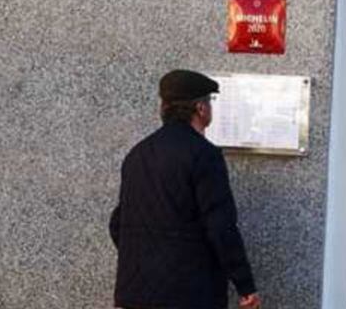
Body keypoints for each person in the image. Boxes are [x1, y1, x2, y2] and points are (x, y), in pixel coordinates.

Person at [110, 69, 262, 309]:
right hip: (189, 294)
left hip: (134, 294)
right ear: (201, 109)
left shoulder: (137, 155)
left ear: (164, 108)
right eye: (210, 102)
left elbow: (117, 223)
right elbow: (221, 227)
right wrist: (245, 285)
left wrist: (145, 260)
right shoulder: (204, 155)